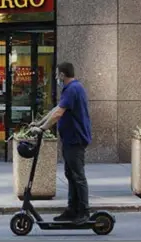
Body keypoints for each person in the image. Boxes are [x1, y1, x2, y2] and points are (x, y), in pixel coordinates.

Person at [30, 62, 92, 225]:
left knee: (78, 176)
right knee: (71, 175)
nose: (56, 77)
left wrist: (42, 128)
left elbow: (58, 113)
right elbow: (55, 109)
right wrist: (39, 123)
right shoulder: (71, 89)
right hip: (70, 139)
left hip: (75, 140)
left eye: (57, 74)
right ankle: (72, 210)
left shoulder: (72, 89)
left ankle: (84, 212)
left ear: (63, 75)